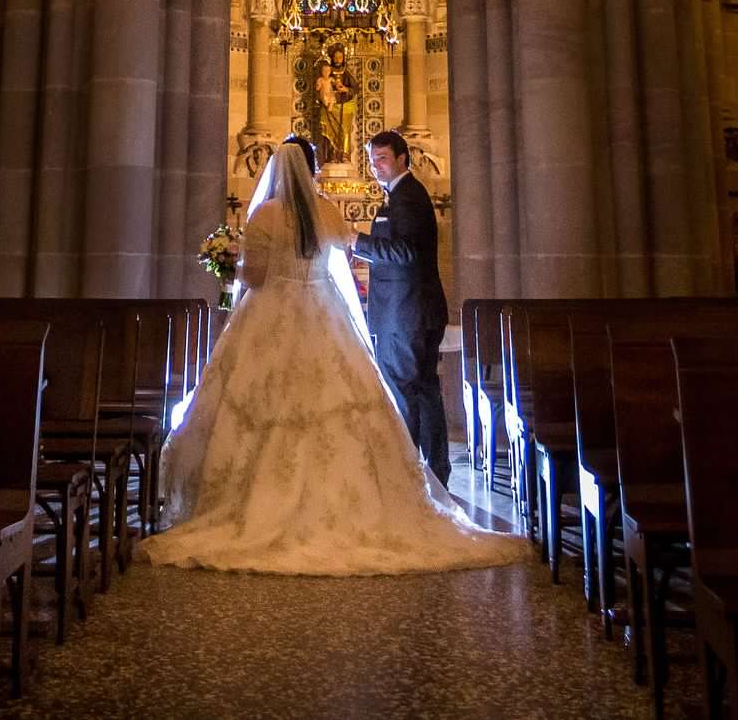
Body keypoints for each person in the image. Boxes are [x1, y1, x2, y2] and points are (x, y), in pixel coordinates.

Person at [136, 134, 516, 575]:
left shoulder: (265, 214)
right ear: (313, 170)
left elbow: (256, 277)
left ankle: (250, 500)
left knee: (264, 402)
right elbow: (341, 253)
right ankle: (360, 501)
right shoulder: (326, 212)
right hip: (323, 314)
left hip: (271, 317)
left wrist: (232, 263)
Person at [345, 128, 452, 484]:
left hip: (406, 313)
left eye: (383, 159)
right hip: (409, 310)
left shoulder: (407, 197)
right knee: (422, 389)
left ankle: (409, 476)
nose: (376, 167)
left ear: (402, 158)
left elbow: (405, 252)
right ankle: (433, 472)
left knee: (405, 390)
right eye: (373, 160)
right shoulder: (400, 195)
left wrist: (356, 241)